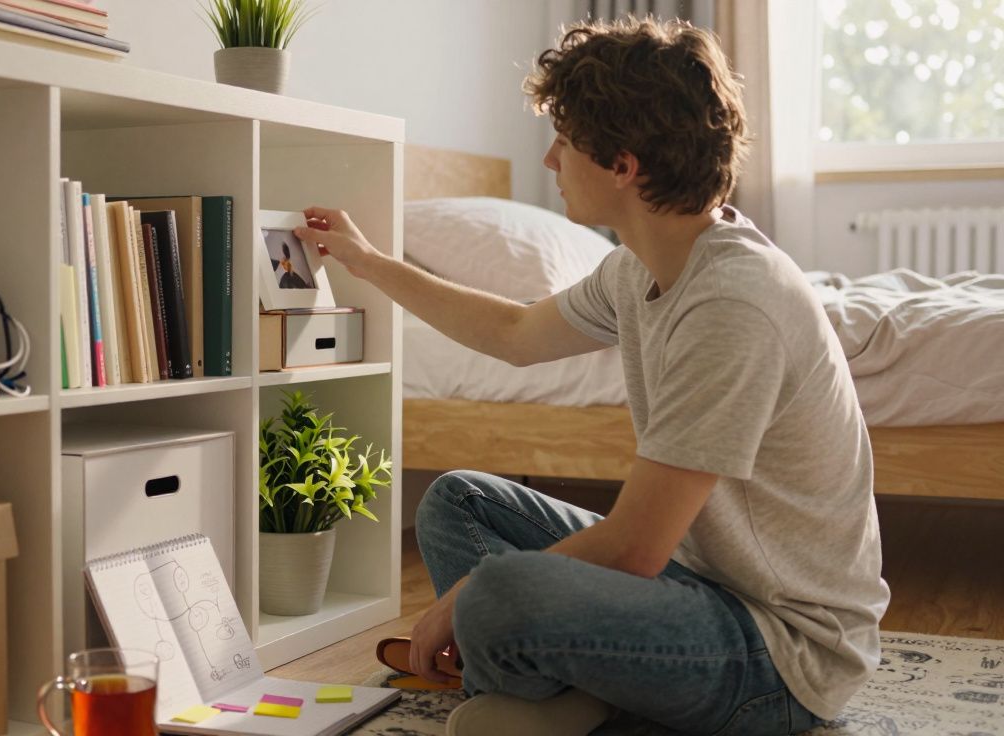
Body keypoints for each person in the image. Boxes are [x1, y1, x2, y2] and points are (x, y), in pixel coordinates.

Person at [293, 16, 889, 736]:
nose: (550, 161)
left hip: (780, 653)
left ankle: (561, 692)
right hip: (699, 584)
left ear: (623, 165)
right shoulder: (640, 266)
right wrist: (370, 261)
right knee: (456, 501)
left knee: (500, 591)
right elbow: (514, 333)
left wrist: (481, 593)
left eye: (566, 142)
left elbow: (636, 546)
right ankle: (573, 690)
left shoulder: (735, 302)